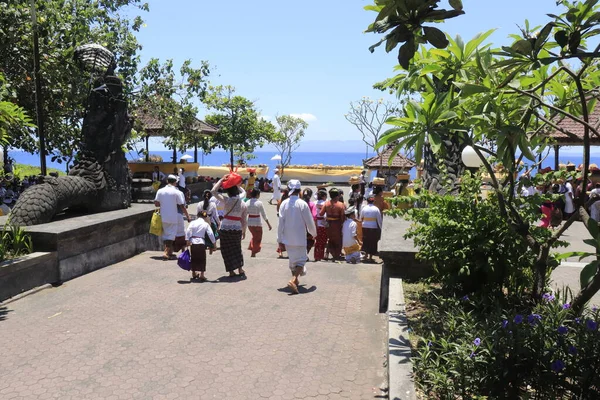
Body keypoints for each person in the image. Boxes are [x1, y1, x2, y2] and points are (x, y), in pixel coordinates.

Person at [277, 179, 317, 294]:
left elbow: (280, 223)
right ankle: (293, 280)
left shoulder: (284, 203)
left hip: (287, 238)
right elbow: (309, 221)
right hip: (300, 237)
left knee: (293, 260)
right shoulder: (302, 204)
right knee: (302, 260)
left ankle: (296, 280)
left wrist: (279, 239)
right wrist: (313, 233)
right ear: (299, 191)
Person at [211, 174, 248, 278]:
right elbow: (244, 220)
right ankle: (240, 269)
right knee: (237, 249)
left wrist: (222, 179)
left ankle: (231, 271)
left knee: (226, 250)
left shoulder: (226, 200)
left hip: (225, 228)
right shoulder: (243, 203)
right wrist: (244, 231)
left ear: (228, 192)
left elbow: (213, 191)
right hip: (237, 228)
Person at [154, 174, 190, 259]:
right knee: (171, 235)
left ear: (167, 181)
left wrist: (164, 203)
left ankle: (169, 252)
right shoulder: (177, 192)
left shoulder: (160, 191)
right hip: (173, 216)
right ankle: (166, 252)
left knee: (166, 234)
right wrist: (188, 216)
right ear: (176, 183)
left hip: (163, 216)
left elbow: (156, 204)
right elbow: (182, 206)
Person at [185, 210, 216, 281]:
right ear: (205, 217)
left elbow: (188, 230)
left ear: (198, 216)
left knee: (193, 258)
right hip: (201, 243)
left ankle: (193, 273)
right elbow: (211, 234)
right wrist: (214, 244)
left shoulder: (193, 222)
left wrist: (187, 240)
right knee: (202, 259)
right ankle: (202, 274)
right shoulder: (205, 224)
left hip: (193, 243)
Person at [319, 188, 346, 261]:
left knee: (329, 239)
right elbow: (343, 217)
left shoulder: (326, 203)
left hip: (328, 225)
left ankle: (327, 254)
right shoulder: (341, 205)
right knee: (338, 240)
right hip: (337, 225)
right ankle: (336, 255)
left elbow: (321, 213)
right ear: (337, 196)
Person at [246, 188, 272, 257]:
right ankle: (253, 251)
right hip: (257, 222)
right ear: (257, 195)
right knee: (258, 238)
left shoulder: (247, 202)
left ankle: (252, 249)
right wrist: (268, 224)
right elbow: (264, 214)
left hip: (250, 222)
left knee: (254, 236)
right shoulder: (259, 203)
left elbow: (245, 213)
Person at [360, 194, 383, 262]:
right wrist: (381, 228)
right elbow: (379, 220)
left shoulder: (364, 208)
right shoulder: (376, 209)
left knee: (366, 241)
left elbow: (361, 217)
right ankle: (370, 257)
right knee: (373, 242)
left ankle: (366, 255)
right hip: (373, 227)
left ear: (367, 201)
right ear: (373, 202)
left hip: (365, 227)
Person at [313, 189, 329, 261]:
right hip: (323, 223)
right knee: (323, 241)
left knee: (317, 241)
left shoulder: (314, 203)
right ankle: (320, 255)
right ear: (323, 196)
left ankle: (316, 256)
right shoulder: (325, 203)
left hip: (316, 224)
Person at [302, 188, 317, 258]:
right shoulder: (312, 204)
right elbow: (314, 216)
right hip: (308, 226)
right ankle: (305, 253)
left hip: (299, 226)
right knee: (310, 241)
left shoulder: (300, 203)